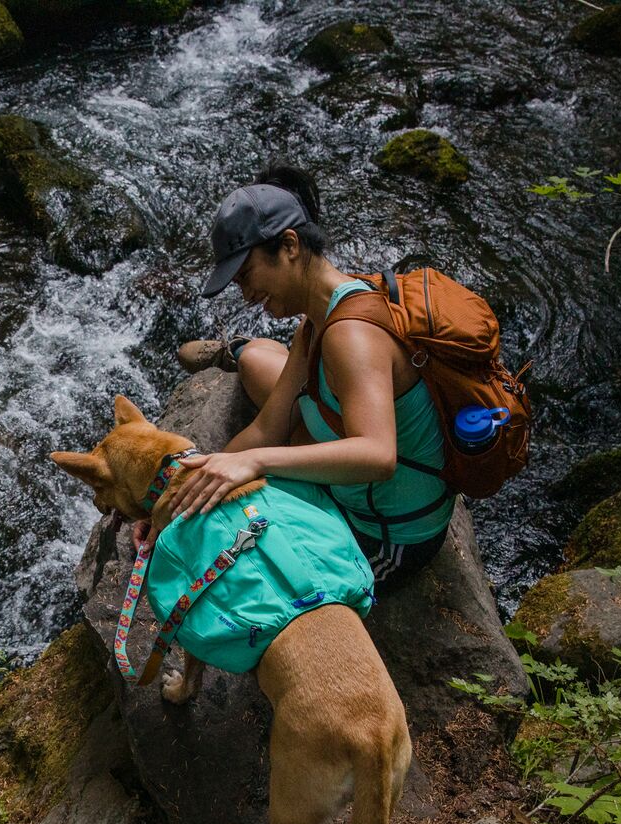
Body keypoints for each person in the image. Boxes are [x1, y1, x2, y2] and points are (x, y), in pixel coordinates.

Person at [164, 165, 454, 593]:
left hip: (389, 539)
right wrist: (190, 490)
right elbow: (269, 427)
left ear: (290, 246)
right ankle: (242, 350)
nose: (245, 294)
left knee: (231, 573)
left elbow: (377, 455)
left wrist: (255, 462)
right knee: (260, 377)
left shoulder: (350, 335)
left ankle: (247, 350)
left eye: (246, 275)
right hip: (349, 491)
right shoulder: (317, 321)